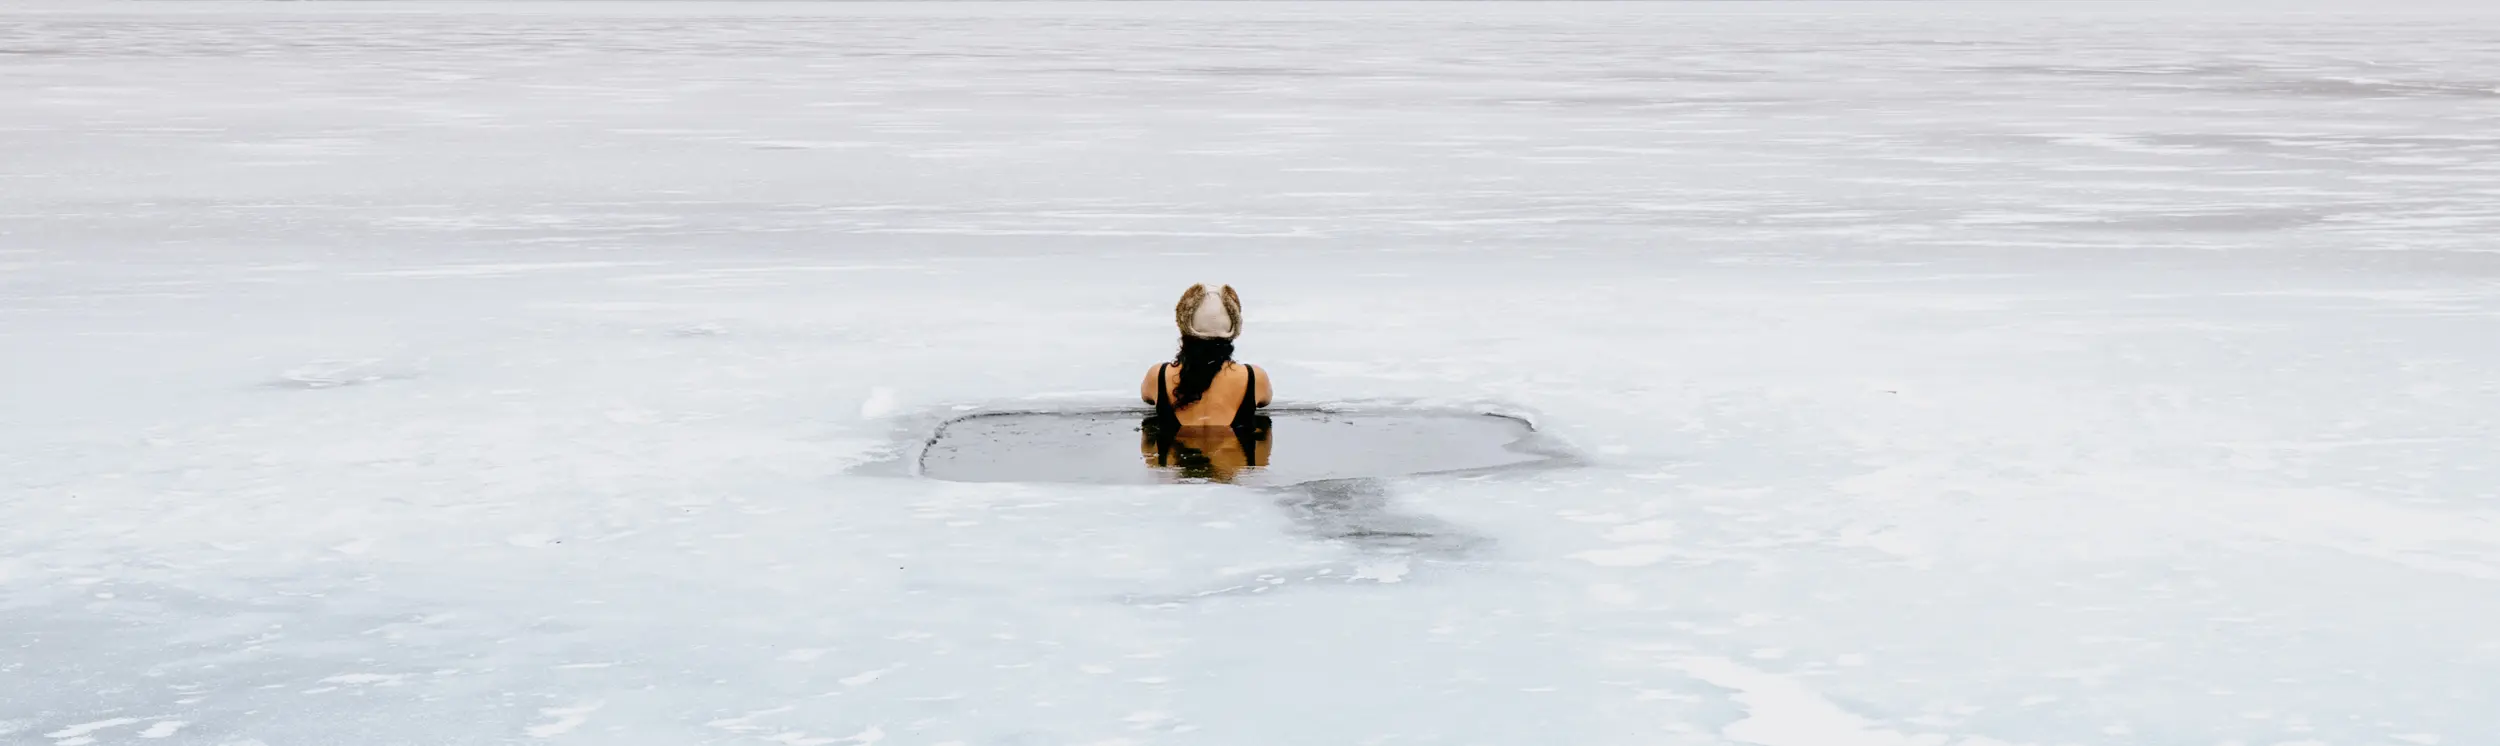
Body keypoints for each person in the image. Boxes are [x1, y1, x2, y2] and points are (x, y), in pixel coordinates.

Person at [1139, 283, 1273, 481]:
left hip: (1176, 472)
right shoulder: (1254, 378)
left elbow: (1147, 399)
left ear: (1184, 325)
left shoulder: (1158, 376)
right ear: (1233, 327)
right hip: (1233, 465)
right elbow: (1265, 405)